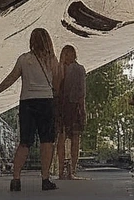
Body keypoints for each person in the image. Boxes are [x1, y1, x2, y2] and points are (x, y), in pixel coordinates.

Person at [0, 27, 59, 192]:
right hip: (46, 102)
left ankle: (16, 179)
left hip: (27, 102)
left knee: (25, 142)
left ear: (31, 41)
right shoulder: (52, 60)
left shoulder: (23, 59)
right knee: (47, 142)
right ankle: (45, 179)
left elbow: (10, 79)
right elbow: (56, 84)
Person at [56, 44, 86, 180]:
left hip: (70, 106)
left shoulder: (77, 69)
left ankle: (68, 170)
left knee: (71, 138)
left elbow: (82, 92)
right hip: (66, 106)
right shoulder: (60, 68)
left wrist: (82, 108)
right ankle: (64, 170)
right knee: (66, 139)